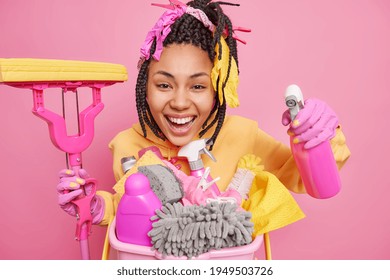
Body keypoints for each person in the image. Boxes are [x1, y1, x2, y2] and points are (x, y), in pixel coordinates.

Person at [57, 0, 350, 241]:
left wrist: (319, 137)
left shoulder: (244, 136)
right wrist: (95, 207)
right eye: (164, 85)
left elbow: (307, 180)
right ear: (144, 87)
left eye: (198, 86)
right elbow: (128, 209)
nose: (180, 102)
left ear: (218, 90)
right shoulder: (128, 144)